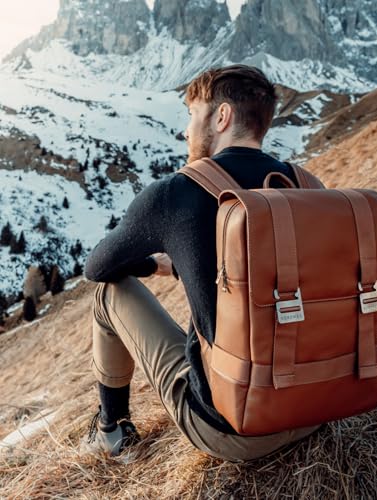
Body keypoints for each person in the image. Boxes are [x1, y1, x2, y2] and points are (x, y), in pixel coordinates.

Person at [82, 64, 321, 461]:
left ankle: (112, 431)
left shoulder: (177, 192)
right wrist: (179, 263)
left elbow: (97, 268)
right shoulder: (305, 185)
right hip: (319, 404)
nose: (186, 131)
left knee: (108, 295)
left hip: (236, 428)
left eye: (192, 115)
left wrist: (152, 265)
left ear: (221, 116)